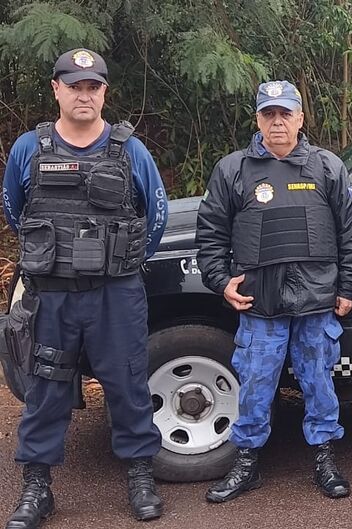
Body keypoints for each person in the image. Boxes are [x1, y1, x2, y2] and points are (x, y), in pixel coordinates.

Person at [1, 48, 168, 528]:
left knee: (128, 384)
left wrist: (118, 259)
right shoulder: (29, 149)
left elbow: (153, 219)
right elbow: (17, 212)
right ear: (56, 89)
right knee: (46, 390)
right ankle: (37, 487)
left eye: (92, 86)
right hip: (50, 295)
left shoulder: (129, 150)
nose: (84, 94)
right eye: (74, 85)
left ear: (104, 93)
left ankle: (140, 475)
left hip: (116, 294)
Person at [195, 80, 352, 503]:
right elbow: (212, 232)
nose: (277, 122)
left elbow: (351, 231)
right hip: (259, 303)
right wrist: (220, 281)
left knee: (318, 382)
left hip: (316, 302)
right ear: (257, 119)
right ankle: (247, 460)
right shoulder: (232, 169)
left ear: (300, 118)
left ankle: (325, 457)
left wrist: (348, 286)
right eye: (268, 114)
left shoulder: (327, 166)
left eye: (285, 113)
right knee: (255, 383)